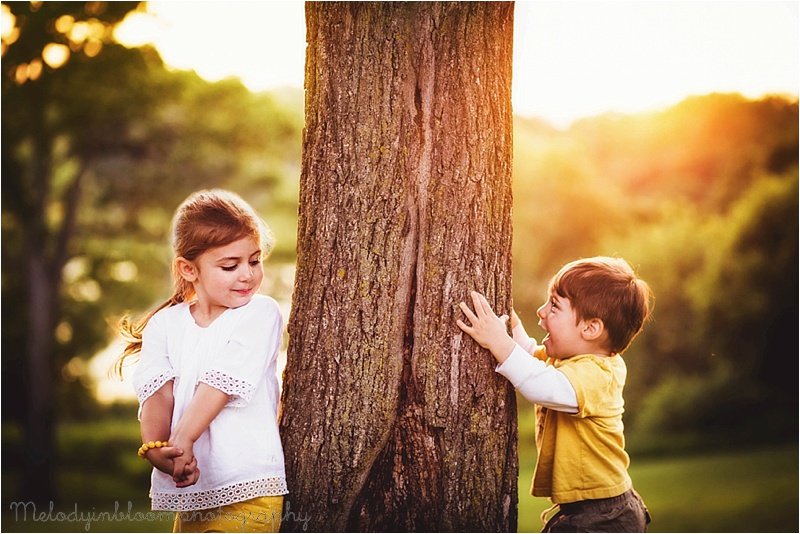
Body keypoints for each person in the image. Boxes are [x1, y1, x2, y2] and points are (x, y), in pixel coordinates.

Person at [116, 189, 287, 532]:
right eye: (230, 265)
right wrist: (155, 447)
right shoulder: (165, 325)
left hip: (248, 484)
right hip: (193, 492)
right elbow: (157, 392)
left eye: (254, 261)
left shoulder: (259, 314)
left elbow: (220, 385)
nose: (247, 275)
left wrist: (183, 439)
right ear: (188, 269)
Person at [457, 256, 653, 532]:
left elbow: (542, 384)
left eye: (554, 305)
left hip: (603, 516)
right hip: (588, 510)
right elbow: (529, 357)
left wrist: (498, 341)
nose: (540, 311)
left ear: (590, 328)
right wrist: (509, 327)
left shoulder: (599, 374)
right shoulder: (569, 362)